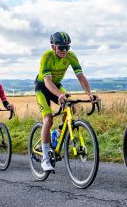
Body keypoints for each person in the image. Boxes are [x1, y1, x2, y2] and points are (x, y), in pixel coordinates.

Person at [35, 32, 98, 173]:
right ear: (53, 47)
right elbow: (47, 81)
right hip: (42, 88)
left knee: (72, 108)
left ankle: (57, 133)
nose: (64, 51)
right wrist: (59, 95)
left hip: (56, 85)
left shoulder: (71, 56)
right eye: (61, 47)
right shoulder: (47, 57)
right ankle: (45, 159)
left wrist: (89, 94)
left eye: (67, 47)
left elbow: (80, 76)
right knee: (48, 119)